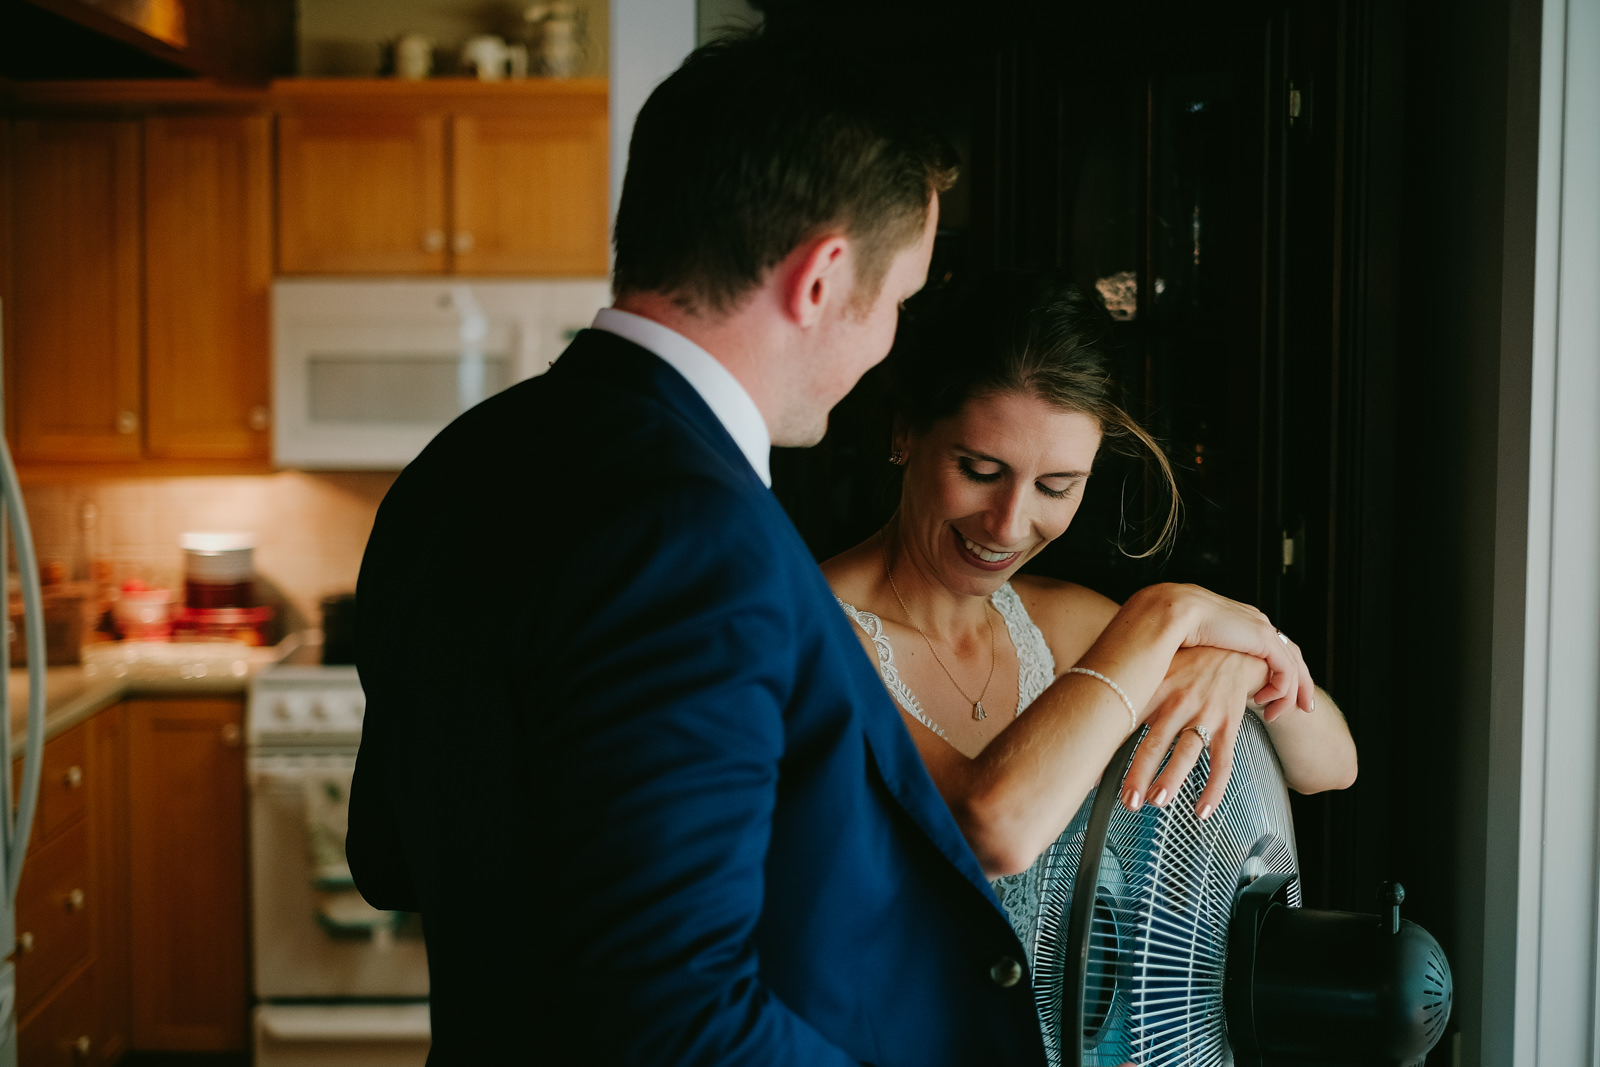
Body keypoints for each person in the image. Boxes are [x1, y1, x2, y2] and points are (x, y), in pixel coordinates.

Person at [348, 29, 1315, 1067]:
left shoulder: (458, 466)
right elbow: (676, 1023)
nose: (888, 342)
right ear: (821, 280)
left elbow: (391, 855)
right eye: (896, 301)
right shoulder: (700, 539)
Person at [822, 271, 1358, 1039]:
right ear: (905, 432)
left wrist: (1239, 660)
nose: (1009, 523)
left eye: (1057, 485)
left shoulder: (1062, 625)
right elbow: (990, 829)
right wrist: (1168, 612)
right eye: (980, 470)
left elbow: (1328, 762)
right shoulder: (816, 631)